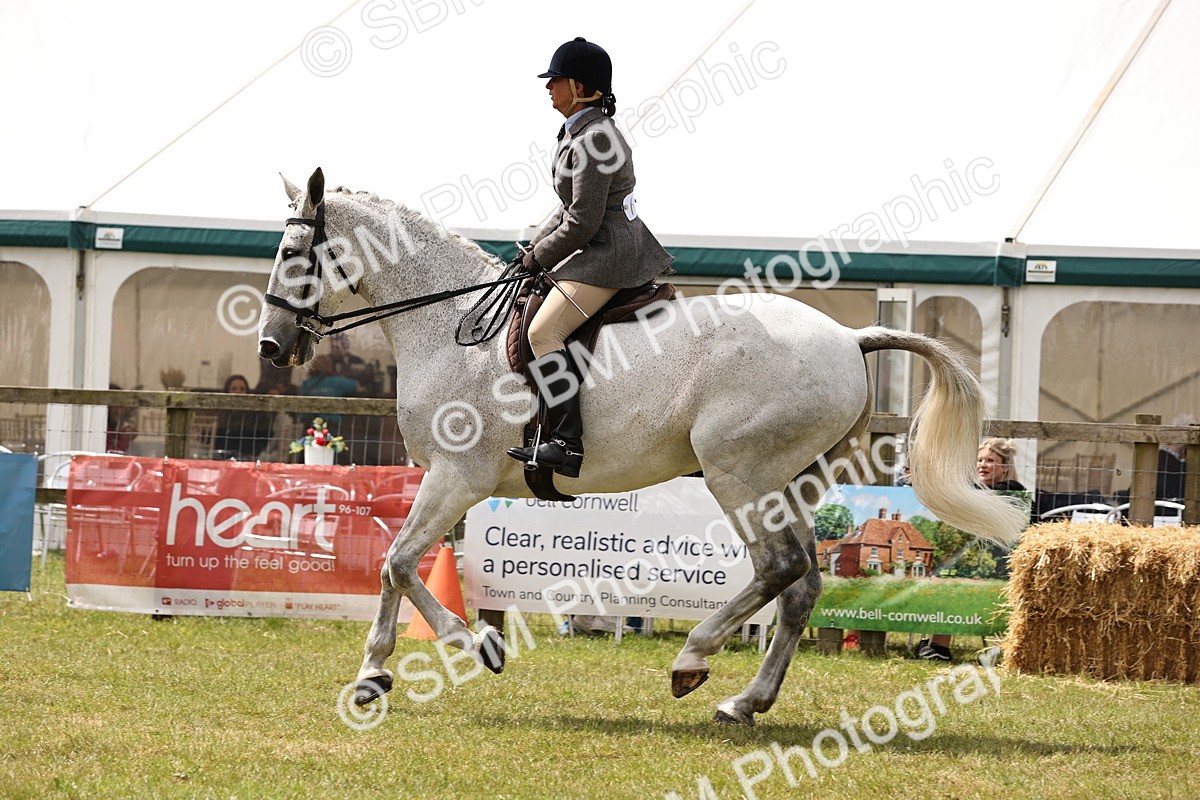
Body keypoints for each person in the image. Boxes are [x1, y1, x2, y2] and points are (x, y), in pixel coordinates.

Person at [506, 37, 675, 479]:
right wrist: (532, 250)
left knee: (543, 332)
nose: (549, 87)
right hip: (600, 246)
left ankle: (566, 442)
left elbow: (582, 222)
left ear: (580, 87)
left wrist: (541, 258)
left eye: (556, 80)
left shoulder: (595, 138)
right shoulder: (579, 132)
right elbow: (567, 208)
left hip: (610, 255)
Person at [918, 437, 1025, 662]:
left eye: (990, 460)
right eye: (979, 460)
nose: (982, 465)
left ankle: (945, 647)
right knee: (946, 585)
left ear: (1005, 467)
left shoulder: (1012, 491)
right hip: (967, 561)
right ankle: (937, 646)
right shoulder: (970, 492)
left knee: (961, 588)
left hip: (998, 565)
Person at [213, 374, 274, 460]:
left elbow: (262, 440)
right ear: (227, 392)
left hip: (248, 459)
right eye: (233, 389)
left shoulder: (255, 416)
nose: (238, 392)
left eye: (242, 389)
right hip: (223, 458)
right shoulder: (221, 415)